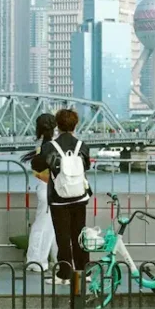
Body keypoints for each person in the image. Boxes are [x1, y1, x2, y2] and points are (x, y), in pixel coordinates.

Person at [31, 109, 92, 284]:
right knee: (79, 235)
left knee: (63, 236)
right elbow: (86, 165)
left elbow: (37, 164)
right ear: (76, 124)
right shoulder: (82, 145)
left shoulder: (51, 147)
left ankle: (64, 274)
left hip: (59, 198)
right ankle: (84, 272)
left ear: (58, 125)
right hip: (79, 196)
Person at [24, 114, 57, 272]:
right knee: (47, 227)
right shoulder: (54, 146)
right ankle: (38, 261)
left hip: (43, 188)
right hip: (52, 189)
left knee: (44, 225)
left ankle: (37, 260)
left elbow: (37, 169)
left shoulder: (42, 146)